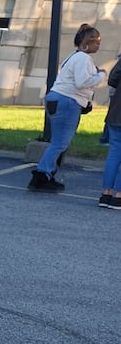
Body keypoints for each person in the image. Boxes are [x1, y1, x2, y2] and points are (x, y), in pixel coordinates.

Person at [29, 23, 107, 192]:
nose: (99, 45)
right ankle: (41, 176)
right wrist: (101, 75)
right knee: (59, 143)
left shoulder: (73, 56)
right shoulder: (83, 58)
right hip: (67, 102)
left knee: (57, 142)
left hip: (57, 99)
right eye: (97, 41)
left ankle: (46, 174)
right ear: (87, 42)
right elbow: (82, 82)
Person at [99, 59, 121, 208]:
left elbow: (113, 78)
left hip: (116, 111)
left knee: (114, 154)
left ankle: (106, 193)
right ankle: (119, 195)